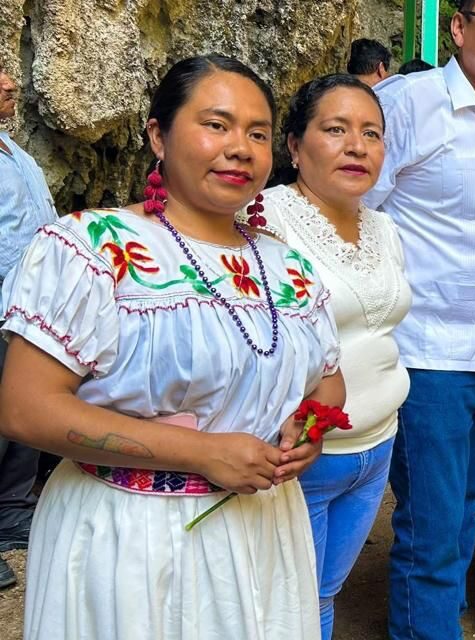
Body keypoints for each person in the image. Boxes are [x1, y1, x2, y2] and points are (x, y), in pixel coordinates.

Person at [0, 54, 345, 639]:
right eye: (216, 125)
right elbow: (25, 408)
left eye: (257, 133)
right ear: (158, 135)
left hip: (262, 527)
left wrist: (307, 428)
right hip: (130, 535)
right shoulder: (93, 248)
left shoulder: (288, 266)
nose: (240, 147)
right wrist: (202, 453)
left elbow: (326, 379)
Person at [363, 1, 475, 638]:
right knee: (433, 529)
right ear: (459, 27)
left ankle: (430, 616)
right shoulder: (407, 105)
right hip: (430, 357)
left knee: (466, 509)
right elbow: (355, 212)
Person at [249, 74, 410, 640]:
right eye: (335, 129)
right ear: (294, 146)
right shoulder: (263, 222)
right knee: (287, 602)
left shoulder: (383, 227)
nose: (357, 146)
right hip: (304, 458)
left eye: (372, 133)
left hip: (377, 447)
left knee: (323, 592)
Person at [0, 68, 58, 591]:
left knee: (17, 421)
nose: (8, 82)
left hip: (24, 306)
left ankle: (10, 516)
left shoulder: (14, 153)